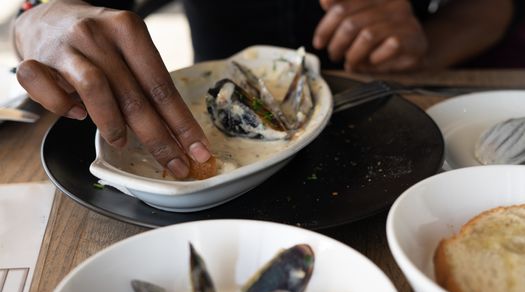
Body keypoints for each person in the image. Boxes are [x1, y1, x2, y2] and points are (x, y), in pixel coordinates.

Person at [12, 0, 520, 178]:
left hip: (386, 115)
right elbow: (48, 11)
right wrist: (38, 21)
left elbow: (490, 10)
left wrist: (425, 45)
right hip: (193, 103)